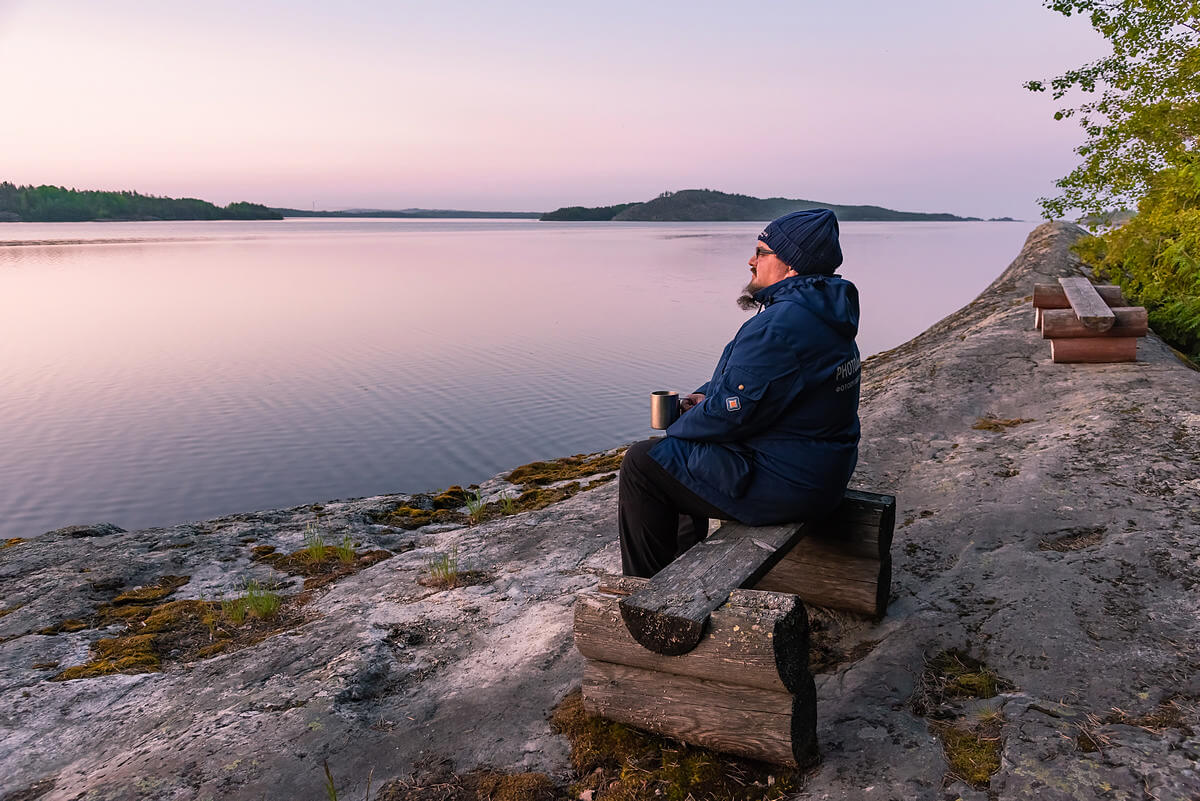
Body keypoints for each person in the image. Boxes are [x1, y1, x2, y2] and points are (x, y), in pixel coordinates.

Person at [619, 208, 861, 578]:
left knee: (643, 463)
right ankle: (683, 570)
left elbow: (730, 413)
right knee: (682, 456)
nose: (751, 261)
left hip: (790, 482)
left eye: (762, 252)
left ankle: (644, 593)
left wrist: (681, 421)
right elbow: (750, 389)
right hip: (820, 470)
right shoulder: (823, 313)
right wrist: (706, 398)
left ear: (792, 265)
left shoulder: (780, 327)